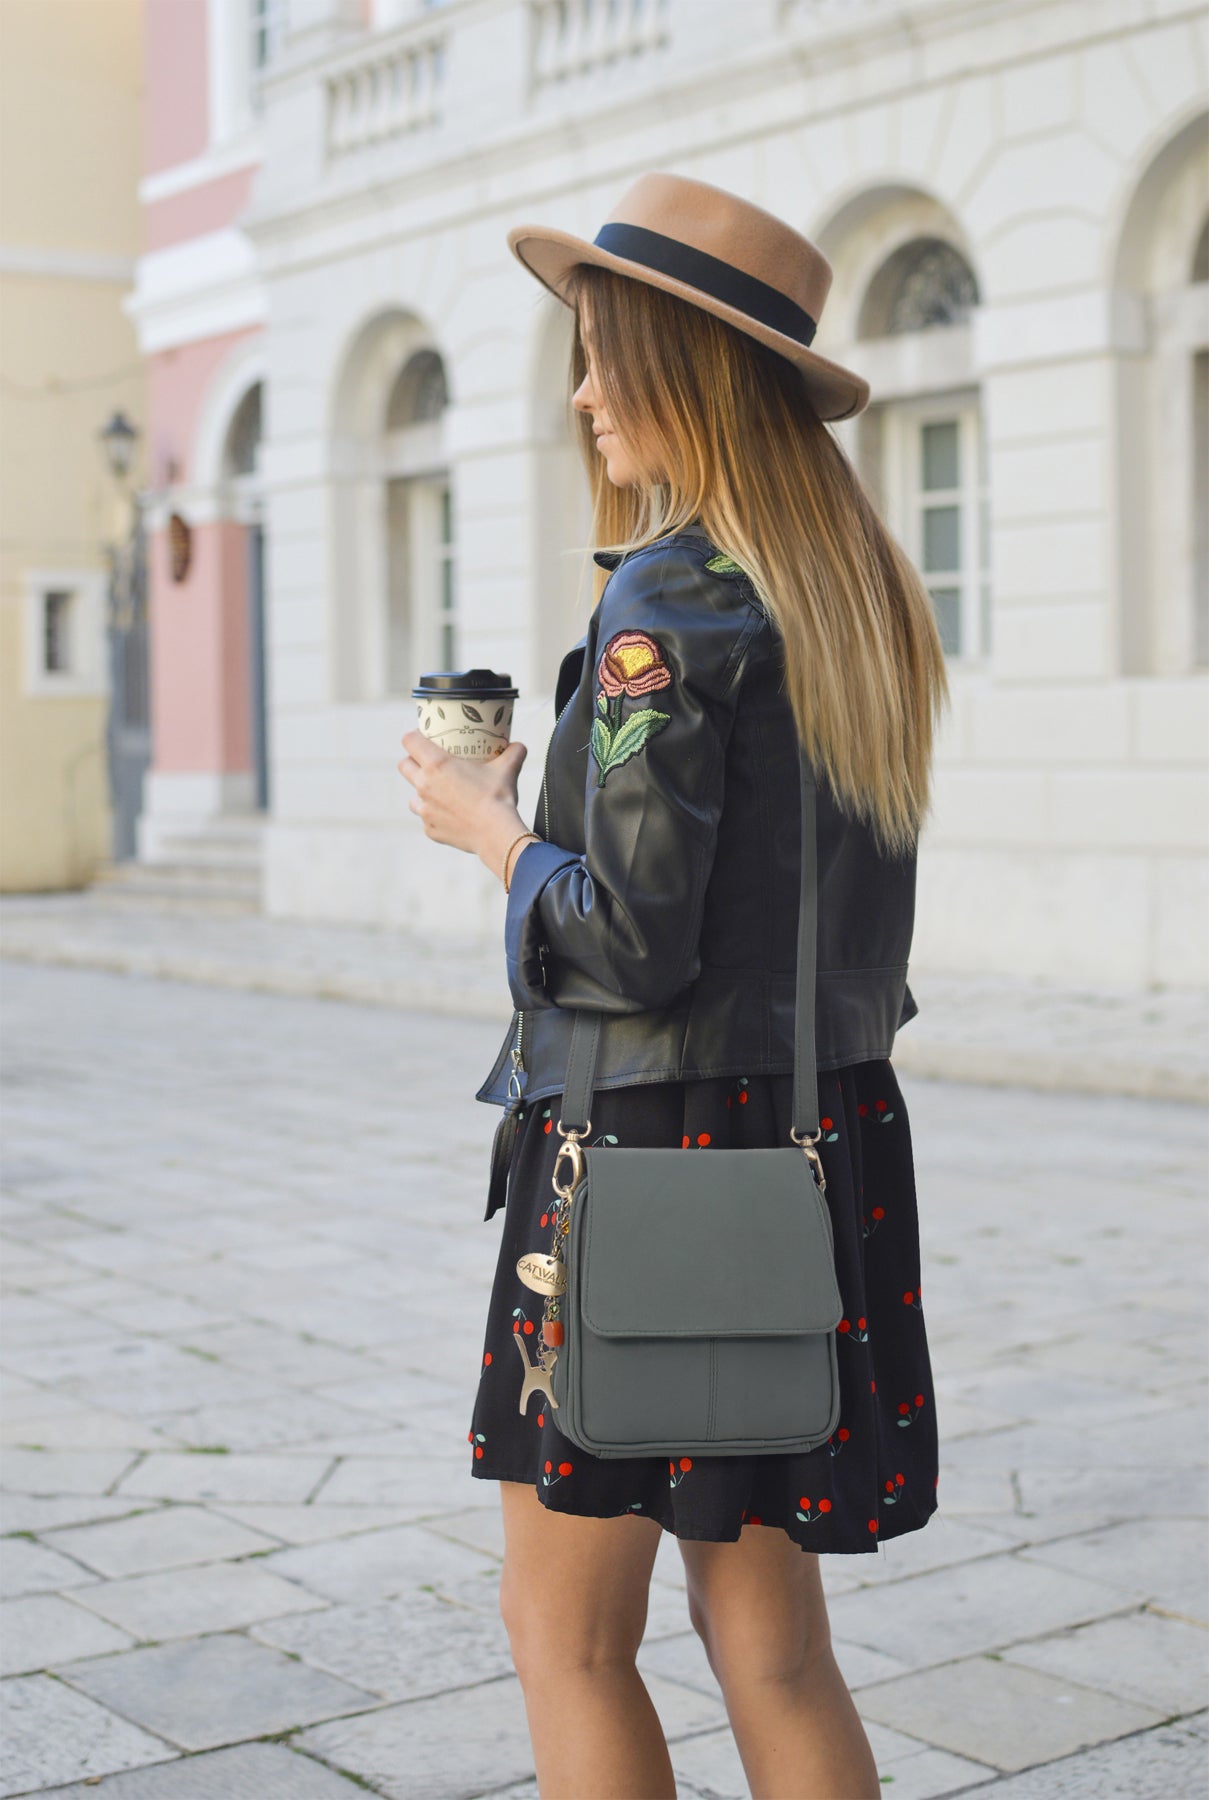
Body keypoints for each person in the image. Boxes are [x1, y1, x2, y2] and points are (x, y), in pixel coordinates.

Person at [397, 171, 949, 1800]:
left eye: (602, 356)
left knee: (564, 1636)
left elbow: (630, 941)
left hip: (644, 1156)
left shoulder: (667, 602)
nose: (582, 393)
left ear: (683, 373)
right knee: (769, 1645)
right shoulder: (850, 590)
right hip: (812, 1147)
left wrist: (493, 832)